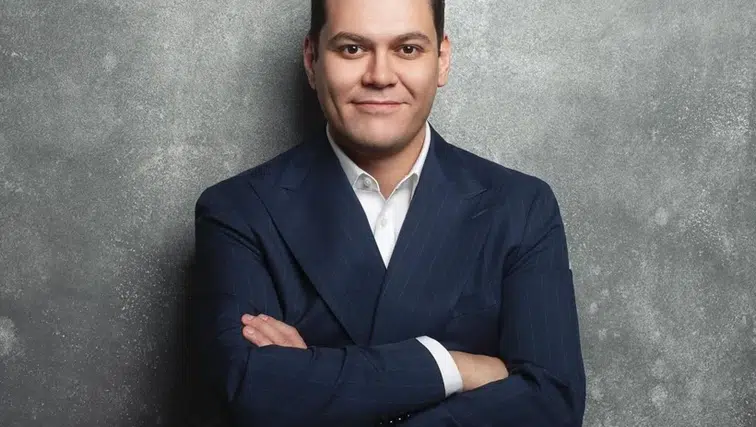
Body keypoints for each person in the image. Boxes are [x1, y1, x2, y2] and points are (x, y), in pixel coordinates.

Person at [190, 0, 586, 425]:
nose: (380, 76)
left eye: (408, 49)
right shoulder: (238, 211)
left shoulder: (521, 207)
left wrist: (314, 380)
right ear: (312, 59)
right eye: (352, 49)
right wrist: (453, 366)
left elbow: (552, 404)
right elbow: (250, 391)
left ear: (442, 60)